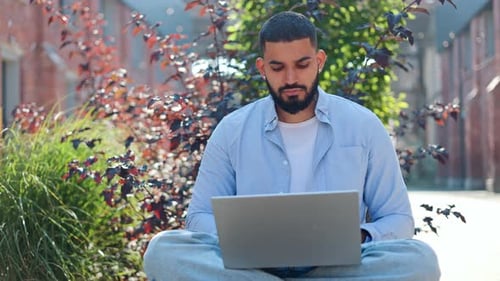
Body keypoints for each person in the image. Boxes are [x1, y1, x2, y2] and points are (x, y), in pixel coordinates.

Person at [143, 11, 440, 281]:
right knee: (163, 251)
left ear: (319, 61)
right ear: (262, 68)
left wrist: (358, 236)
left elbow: (399, 219)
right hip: (252, 267)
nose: (290, 78)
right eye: (277, 67)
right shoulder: (232, 130)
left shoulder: (363, 126)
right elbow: (198, 218)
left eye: (302, 64)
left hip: (337, 269)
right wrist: (243, 239)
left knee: (420, 261)